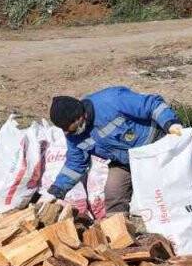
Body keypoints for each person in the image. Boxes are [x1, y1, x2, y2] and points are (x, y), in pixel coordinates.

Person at [42, 86, 183, 215]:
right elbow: (75, 165)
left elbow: (152, 105)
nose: (68, 133)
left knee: (170, 187)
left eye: (70, 128)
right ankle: (118, 229)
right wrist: (56, 191)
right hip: (125, 161)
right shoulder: (73, 135)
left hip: (155, 144)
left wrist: (170, 123)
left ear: (79, 118)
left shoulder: (111, 100)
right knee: (113, 191)